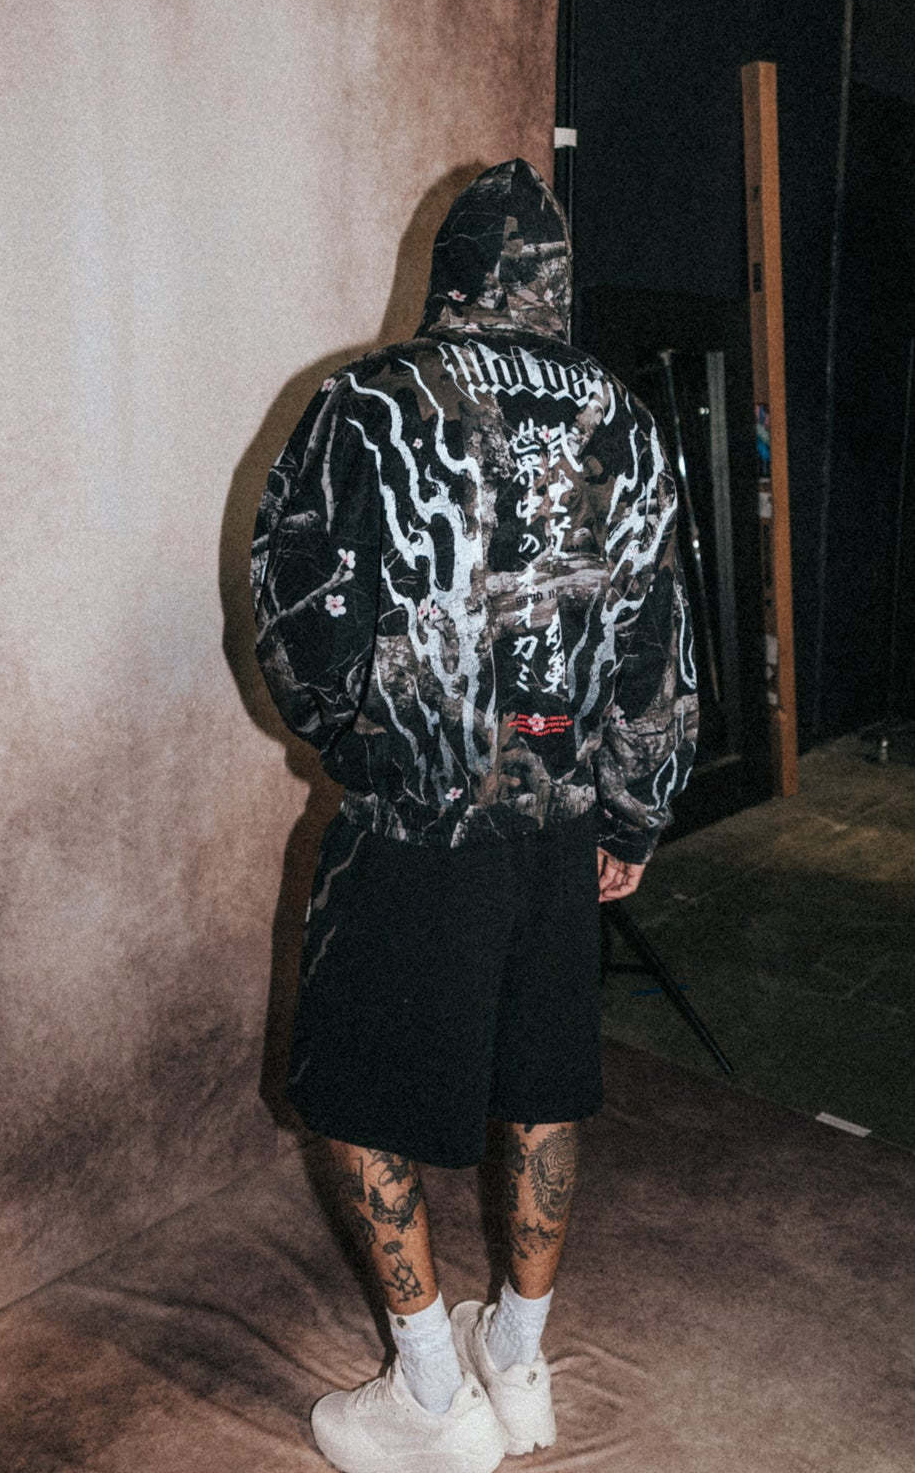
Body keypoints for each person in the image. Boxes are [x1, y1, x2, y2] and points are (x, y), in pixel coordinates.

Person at [251, 159, 699, 1473]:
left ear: (449, 274)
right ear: (554, 281)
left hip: (421, 818)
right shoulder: (625, 420)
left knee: (356, 1093)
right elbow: (657, 640)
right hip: (560, 822)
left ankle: (434, 1396)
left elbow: (296, 615)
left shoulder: (368, 401)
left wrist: (370, 747)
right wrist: (631, 814)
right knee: (544, 1081)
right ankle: (521, 1358)